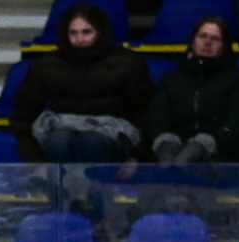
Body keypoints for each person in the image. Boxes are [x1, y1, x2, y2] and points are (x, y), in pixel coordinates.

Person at [9, 2, 153, 164]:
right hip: (61, 131)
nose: (80, 39)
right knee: (58, 140)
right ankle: (58, 180)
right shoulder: (45, 65)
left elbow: (146, 116)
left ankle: (98, 181)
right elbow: (22, 118)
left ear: (100, 32)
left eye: (86, 32)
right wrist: (35, 162)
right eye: (73, 33)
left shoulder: (128, 63)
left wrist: (137, 159)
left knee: (91, 142)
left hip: (111, 136)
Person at [143, 15, 239, 164]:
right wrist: (165, 141)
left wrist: (206, 143)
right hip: (175, 150)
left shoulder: (238, 78)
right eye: (203, 36)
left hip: (222, 155)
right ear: (193, 41)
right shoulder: (172, 77)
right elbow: (156, 117)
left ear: (224, 46)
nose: (207, 42)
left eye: (215, 38)